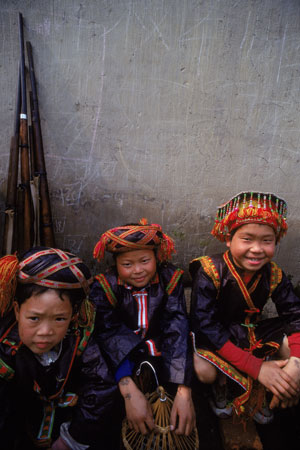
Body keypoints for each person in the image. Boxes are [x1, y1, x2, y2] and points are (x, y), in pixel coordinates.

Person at [189, 191, 300, 424]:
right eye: (247, 239)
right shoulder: (209, 271)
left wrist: (296, 365)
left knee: (294, 347)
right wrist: (256, 367)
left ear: (276, 242)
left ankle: (273, 387)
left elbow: (294, 315)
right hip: (216, 336)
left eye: (266, 241)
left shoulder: (275, 274)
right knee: (204, 371)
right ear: (229, 239)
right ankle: (223, 384)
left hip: (251, 332)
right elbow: (204, 325)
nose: (257, 249)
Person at [0, 246, 119, 450]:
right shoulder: (6, 348)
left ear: (73, 315)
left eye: (59, 319)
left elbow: (100, 387)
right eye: (34, 318)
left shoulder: (81, 338)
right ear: (18, 310)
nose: (46, 331)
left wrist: (71, 439)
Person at [89, 219, 196, 439]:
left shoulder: (171, 280)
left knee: (168, 392)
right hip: (123, 358)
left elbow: (176, 329)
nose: (137, 270)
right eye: (127, 264)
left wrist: (184, 390)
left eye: (145, 260)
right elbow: (108, 335)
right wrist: (128, 390)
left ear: (157, 257)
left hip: (160, 352)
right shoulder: (105, 286)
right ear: (115, 264)